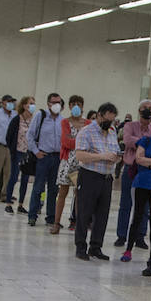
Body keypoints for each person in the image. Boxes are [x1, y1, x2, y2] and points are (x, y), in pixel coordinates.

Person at [73, 102, 122, 261]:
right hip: (89, 176)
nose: (109, 124)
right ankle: (81, 246)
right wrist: (102, 156)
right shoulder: (86, 132)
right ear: (99, 116)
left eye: (113, 120)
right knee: (84, 213)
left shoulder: (112, 132)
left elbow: (113, 151)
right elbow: (80, 155)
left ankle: (96, 246)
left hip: (106, 177)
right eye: (107, 120)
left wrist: (115, 157)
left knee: (102, 214)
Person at [123, 113, 151, 263]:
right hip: (141, 183)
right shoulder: (145, 140)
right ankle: (128, 249)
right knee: (138, 216)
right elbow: (139, 159)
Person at [115, 99, 151, 247]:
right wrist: (145, 142)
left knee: (145, 206)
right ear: (139, 110)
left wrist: (139, 142)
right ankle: (121, 235)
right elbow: (127, 140)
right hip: (130, 168)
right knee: (125, 204)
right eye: (145, 107)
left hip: (146, 170)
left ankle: (140, 236)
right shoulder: (129, 125)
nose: (148, 110)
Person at [26, 93, 65, 227]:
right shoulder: (40, 116)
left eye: (59, 102)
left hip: (57, 158)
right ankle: (32, 215)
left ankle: (51, 217)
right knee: (38, 187)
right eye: (54, 102)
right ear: (48, 103)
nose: (56, 105)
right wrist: (36, 152)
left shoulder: (62, 120)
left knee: (54, 189)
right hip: (44, 157)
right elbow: (30, 135)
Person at [50, 96, 88, 235]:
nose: (76, 106)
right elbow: (66, 142)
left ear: (83, 106)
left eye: (79, 104)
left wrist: (74, 140)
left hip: (82, 163)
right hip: (67, 161)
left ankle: (78, 224)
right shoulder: (65, 122)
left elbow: (87, 143)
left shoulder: (88, 123)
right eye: (73, 104)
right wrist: (79, 141)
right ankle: (56, 222)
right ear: (70, 106)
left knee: (80, 194)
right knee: (62, 193)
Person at [4, 97, 35, 214]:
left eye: (33, 104)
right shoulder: (17, 119)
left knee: (25, 179)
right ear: (24, 105)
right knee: (14, 177)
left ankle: (21, 204)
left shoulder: (34, 120)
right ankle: (8, 202)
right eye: (30, 104)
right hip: (18, 152)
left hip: (28, 153)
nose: (32, 106)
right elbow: (9, 136)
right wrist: (12, 149)